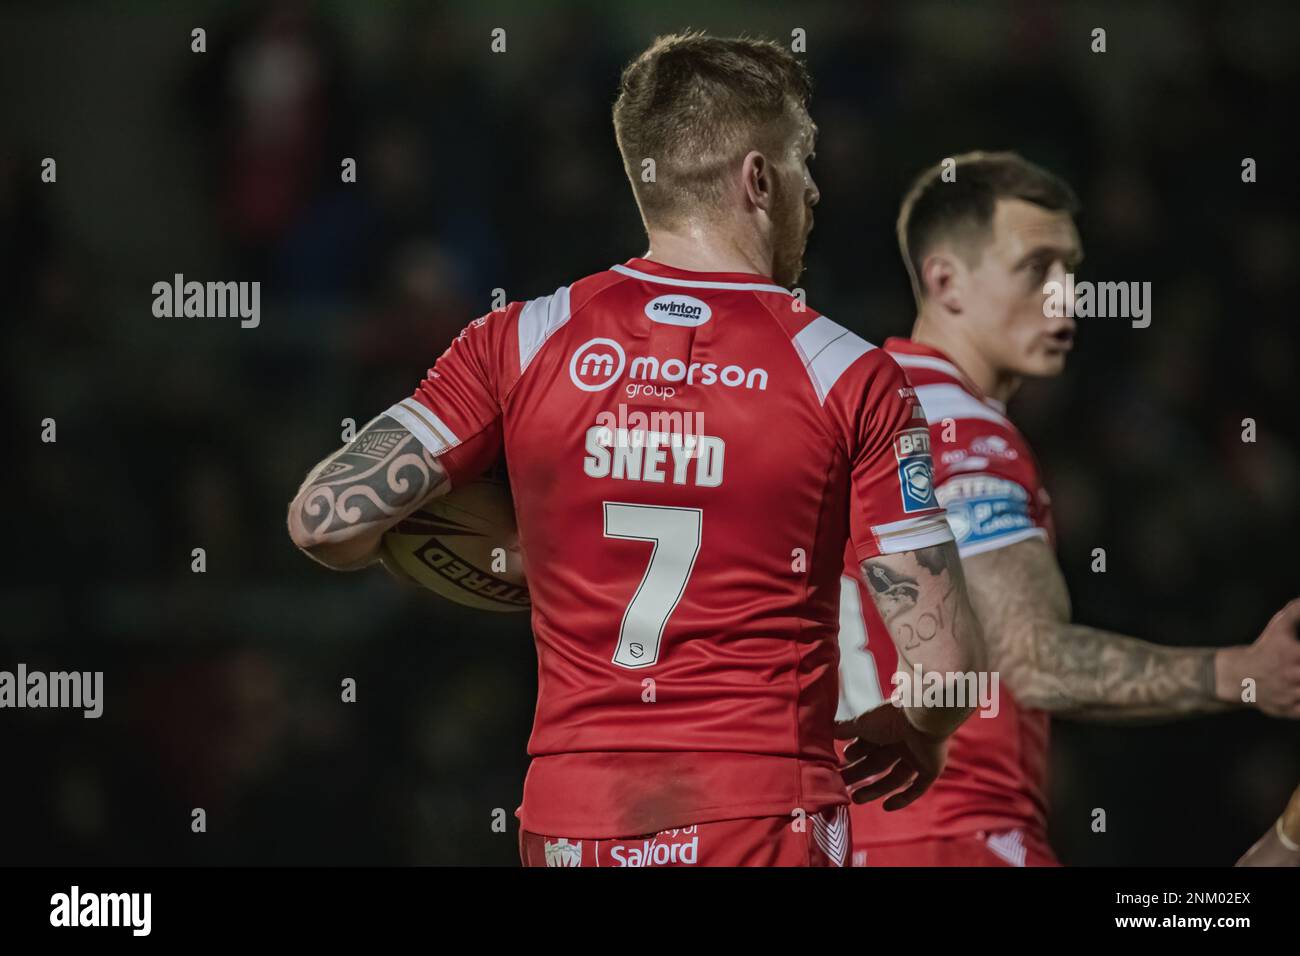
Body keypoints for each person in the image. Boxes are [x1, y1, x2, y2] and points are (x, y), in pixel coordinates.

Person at [287, 33, 985, 867]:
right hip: (761, 817)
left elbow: (325, 523)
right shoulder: (849, 375)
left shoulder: (520, 339)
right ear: (759, 180)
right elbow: (943, 671)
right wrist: (917, 729)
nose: (817, 189)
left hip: (574, 821)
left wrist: (514, 565)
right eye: (804, 164)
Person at [836, 151, 1300, 867]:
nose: (1067, 298)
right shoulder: (959, 425)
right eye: (1037, 269)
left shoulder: (860, 408)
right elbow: (1030, 658)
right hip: (956, 836)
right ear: (945, 280)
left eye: (1071, 271)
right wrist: (1244, 671)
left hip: (849, 838)